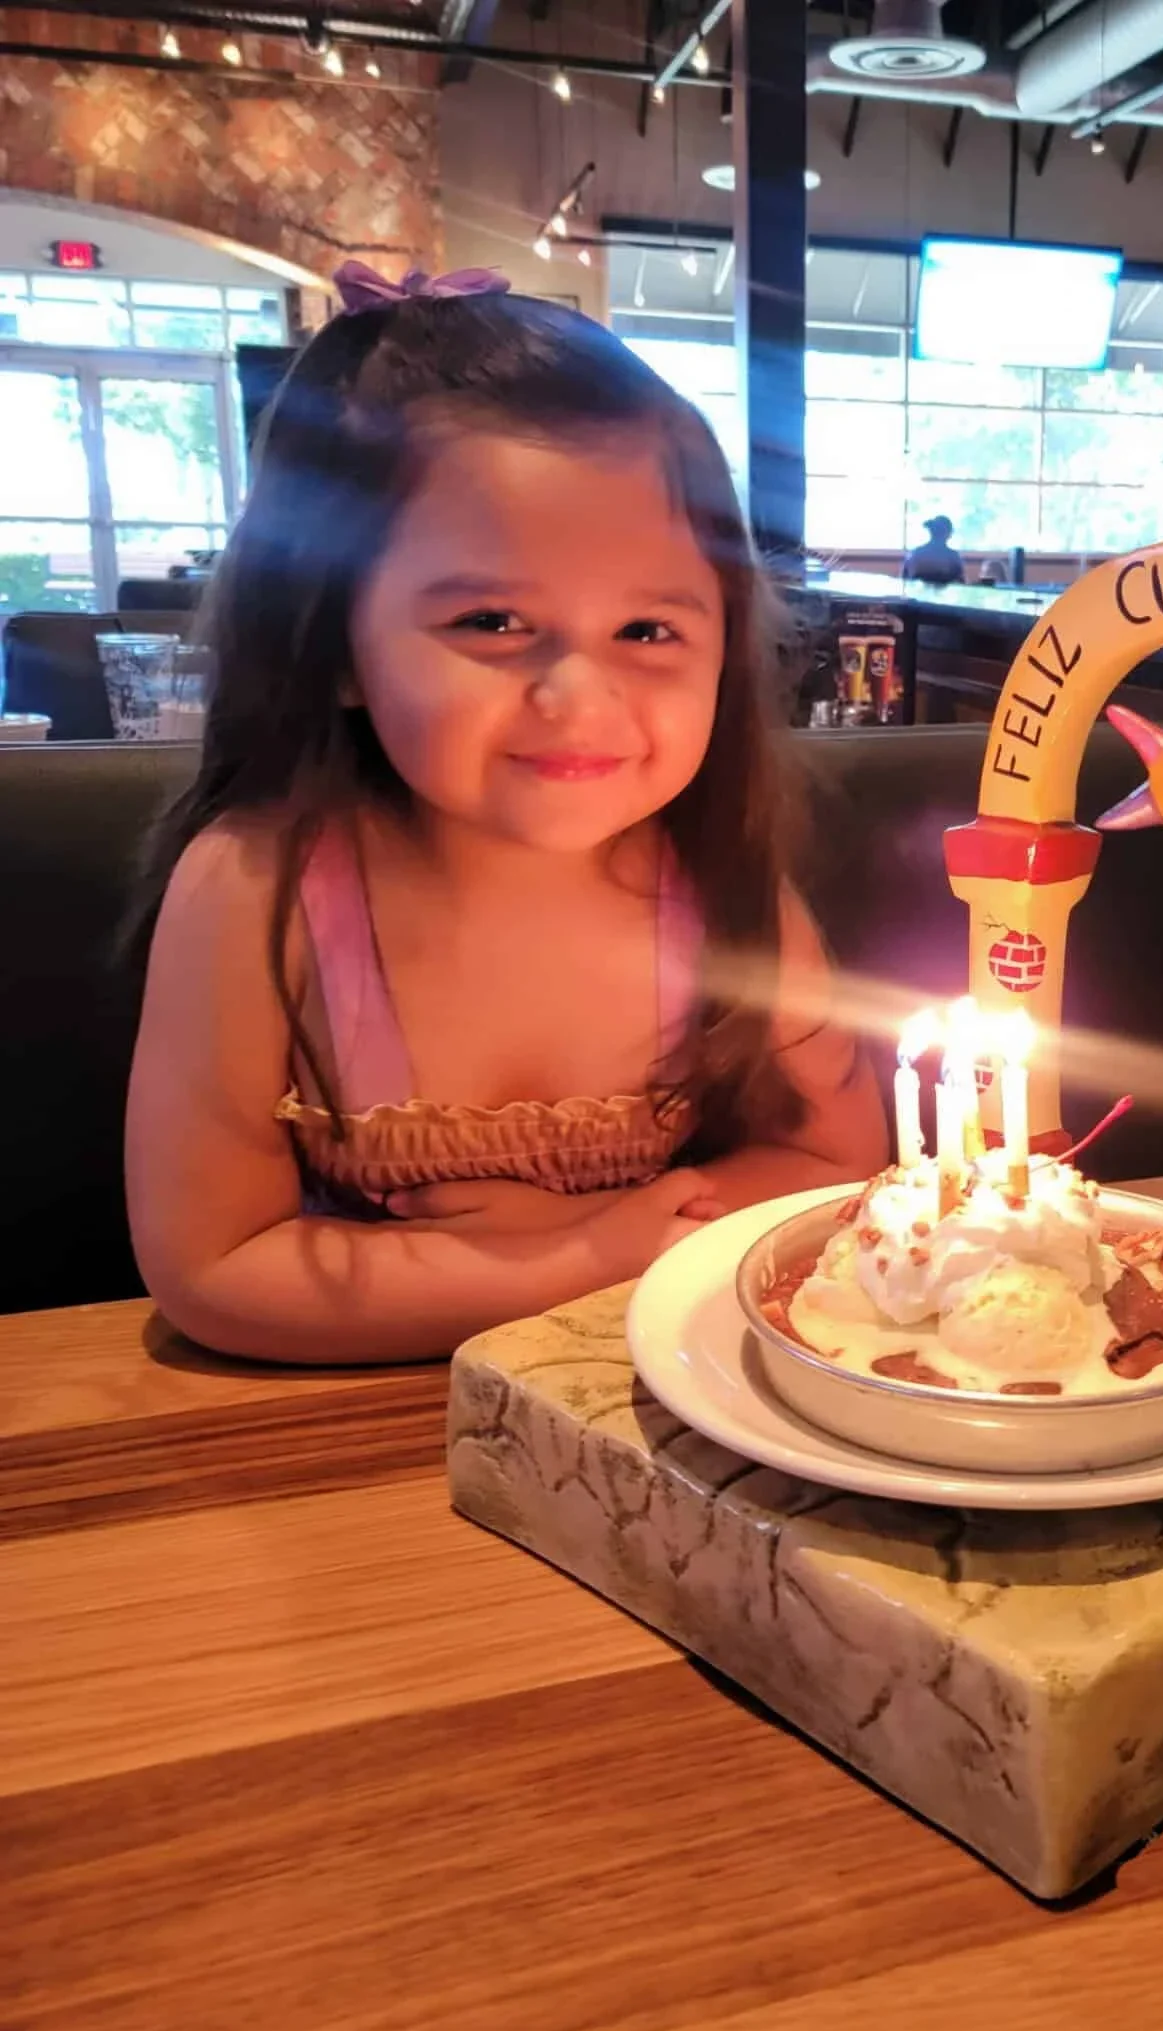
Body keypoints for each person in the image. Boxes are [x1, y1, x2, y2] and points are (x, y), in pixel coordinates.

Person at [124, 263, 887, 1365]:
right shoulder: (259, 890)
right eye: (492, 619)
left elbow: (837, 1166)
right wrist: (578, 1253)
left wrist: (605, 1239)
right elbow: (214, 1269)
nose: (580, 700)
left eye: (647, 631)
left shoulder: (716, 880)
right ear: (334, 640)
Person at [902, 514, 964, 586]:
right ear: (948, 534)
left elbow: (904, 581)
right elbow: (961, 584)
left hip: (917, 595)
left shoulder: (915, 553)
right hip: (945, 596)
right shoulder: (953, 556)